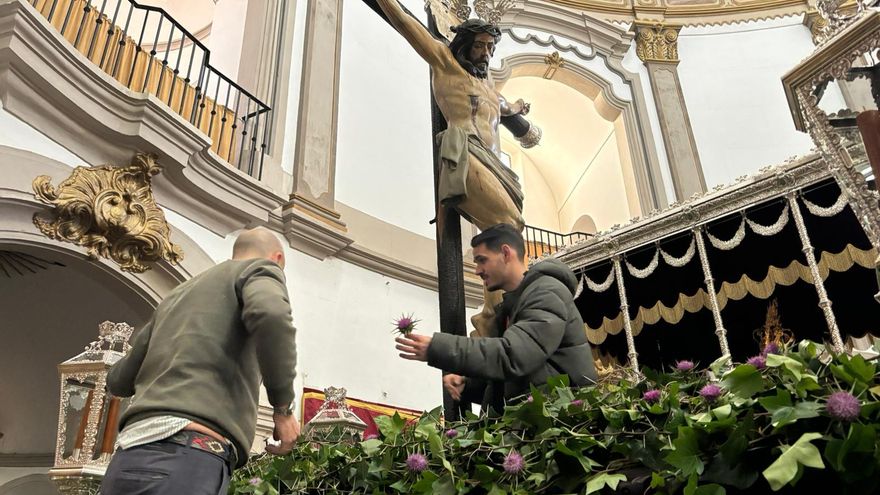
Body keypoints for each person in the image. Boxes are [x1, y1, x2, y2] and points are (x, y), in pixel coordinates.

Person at [374, 0, 538, 337]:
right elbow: (405, 22)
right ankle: (489, 320)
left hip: (496, 167)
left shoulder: (488, 86)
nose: (485, 54)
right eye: (479, 46)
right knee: (508, 225)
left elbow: (506, 108)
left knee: (505, 231)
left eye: (490, 47)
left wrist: (520, 108)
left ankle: (490, 323)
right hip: (465, 153)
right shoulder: (444, 62)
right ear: (463, 43)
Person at [100, 227, 299, 495]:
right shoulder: (260, 269)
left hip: (128, 458)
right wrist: (283, 408)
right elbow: (271, 314)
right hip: (187, 457)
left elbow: (119, 381)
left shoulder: (176, 296)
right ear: (277, 259)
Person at [396, 224, 597, 414]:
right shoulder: (512, 305)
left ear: (506, 253)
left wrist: (438, 347)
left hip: (560, 424)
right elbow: (515, 376)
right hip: (539, 422)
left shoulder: (546, 292)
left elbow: (514, 356)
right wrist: (469, 384)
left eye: (482, 260)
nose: (477, 270)